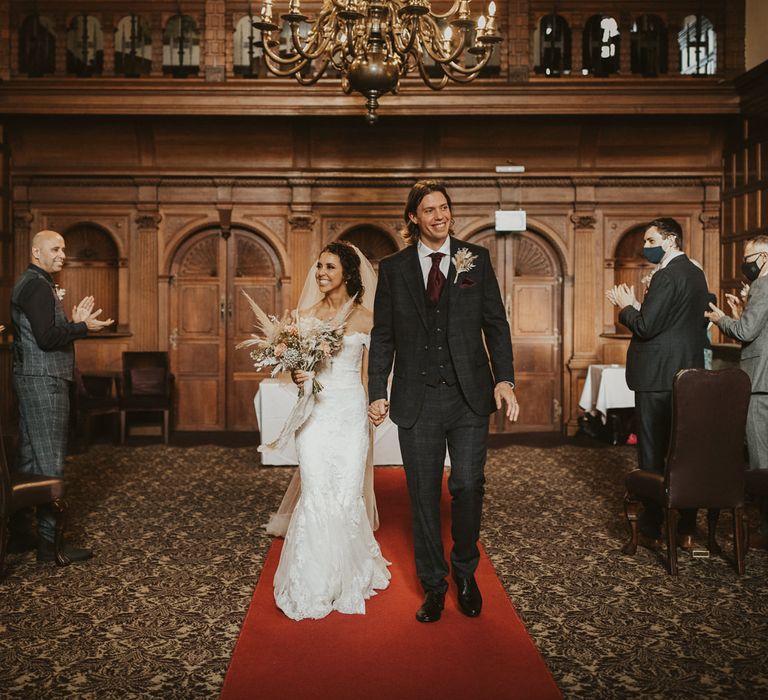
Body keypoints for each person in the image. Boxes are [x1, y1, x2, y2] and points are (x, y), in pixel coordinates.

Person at [368, 180, 518, 623]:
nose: (440, 216)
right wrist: (378, 389)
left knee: (469, 485)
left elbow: (496, 324)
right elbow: (383, 336)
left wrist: (504, 379)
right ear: (413, 218)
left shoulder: (477, 259)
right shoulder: (393, 269)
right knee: (422, 495)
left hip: (469, 395)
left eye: (444, 208)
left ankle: (465, 572)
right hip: (417, 398)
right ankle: (434, 585)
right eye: (429, 210)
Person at [271, 241, 390, 620]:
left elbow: (375, 372)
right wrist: (297, 372)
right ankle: (314, 579)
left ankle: (349, 573)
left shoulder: (368, 319)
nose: (321, 273)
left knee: (346, 490)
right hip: (316, 415)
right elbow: (294, 368)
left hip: (350, 412)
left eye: (330, 267)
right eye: (319, 266)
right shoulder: (302, 316)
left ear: (348, 274)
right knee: (319, 489)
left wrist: (378, 401)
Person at [10, 230, 113, 563]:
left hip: (34, 379)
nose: (62, 254)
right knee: (50, 461)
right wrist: (82, 327)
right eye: (55, 249)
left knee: (29, 458)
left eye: (64, 249)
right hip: (44, 381)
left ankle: (21, 534)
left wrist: (73, 322)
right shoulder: (37, 285)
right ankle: (49, 546)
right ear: (36, 252)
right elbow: (48, 337)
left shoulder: (33, 282)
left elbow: (46, 333)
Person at [607, 217, 709, 551]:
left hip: (656, 377)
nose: (645, 246)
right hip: (687, 376)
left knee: (652, 454)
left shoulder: (666, 275)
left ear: (669, 240)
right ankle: (687, 528)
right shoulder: (696, 274)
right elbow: (671, 323)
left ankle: (651, 528)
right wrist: (640, 305)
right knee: (685, 452)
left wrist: (626, 309)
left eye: (650, 240)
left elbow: (648, 326)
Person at [705, 235, 768, 549]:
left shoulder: (763, 285)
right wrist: (743, 309)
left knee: (760, 463)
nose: (745, 263)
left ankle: (764, 533)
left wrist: (722, 319)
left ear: (765, 257)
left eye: (749, 257)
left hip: (760, 383)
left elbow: (746, 331)